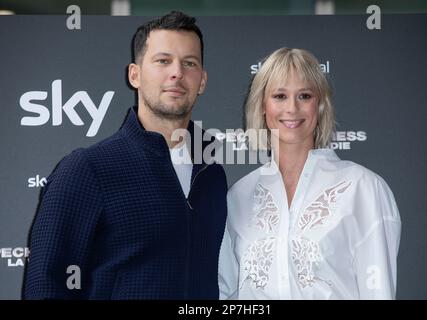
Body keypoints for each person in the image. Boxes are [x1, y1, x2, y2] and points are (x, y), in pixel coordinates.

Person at [23, 11, 227, 300]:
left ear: (202, 81)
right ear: (135, 75)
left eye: (189, 63)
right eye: (163, 61)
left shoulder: (212, 174)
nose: (177, 73)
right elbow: (46, 285)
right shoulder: (87, 169)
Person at [218, 48, 401, 299]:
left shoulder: (362, 188)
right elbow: (228, 293)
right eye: (280, 96)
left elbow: (378, 292)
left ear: (321, 105)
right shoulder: (239, 196)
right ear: (262, 106)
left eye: (304, 95)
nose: (292, 108)